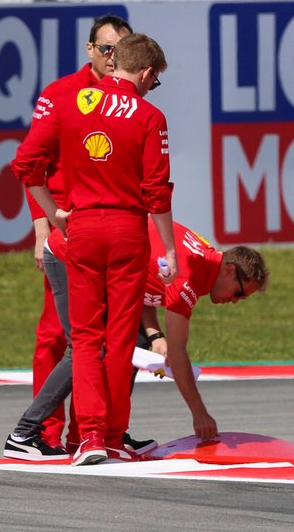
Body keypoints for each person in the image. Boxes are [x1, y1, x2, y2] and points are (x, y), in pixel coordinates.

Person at [12, 33, 178, 466]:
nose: (151, 86)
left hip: (79, 229)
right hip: (127, 230)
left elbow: (27, 165)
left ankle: (88, 438)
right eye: (154, 80)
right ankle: (113, 434)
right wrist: (172, 250)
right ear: (145, 72)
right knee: (120, 337)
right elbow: (157, 192)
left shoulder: (70, 103)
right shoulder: (149, 115)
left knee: (84, 339)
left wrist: (53, 213)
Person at [3, 219, 269, 462]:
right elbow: (178, 353)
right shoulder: (187, 277)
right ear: (229, 270)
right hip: (68, 256)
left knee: (135, 340)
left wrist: (154, 335)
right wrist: (199, 413)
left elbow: (143, 279)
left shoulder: (207, 254)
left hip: (95, 258)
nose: (235, 301)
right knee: (84, 348)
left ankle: (108, 433)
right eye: (239, 293)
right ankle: (24, 434)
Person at [20, 15, 133, 452]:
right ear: (90, 50)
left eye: (121, 51)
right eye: (106, 50)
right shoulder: (60, 94)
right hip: (66, 230)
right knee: (58, 333)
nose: (112, 59)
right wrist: (41, 227)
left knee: (115, 335)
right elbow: (33, 165)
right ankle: (41, 432)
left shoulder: (130, 97)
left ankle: (95, 432)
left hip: (112, 229)